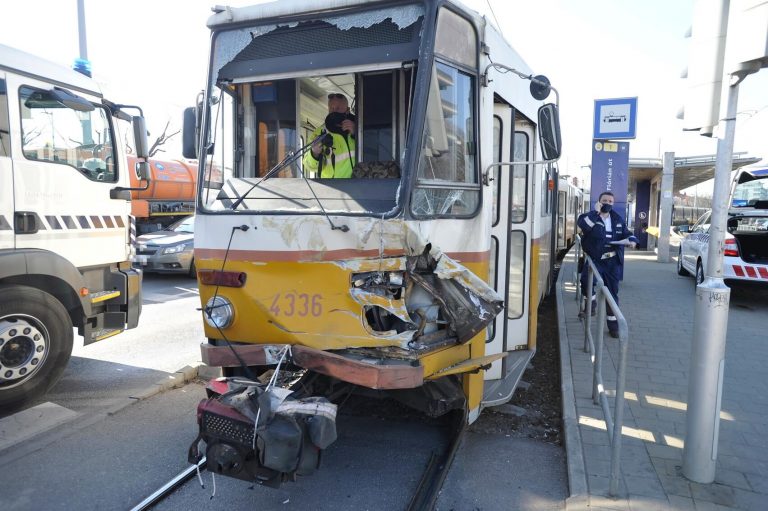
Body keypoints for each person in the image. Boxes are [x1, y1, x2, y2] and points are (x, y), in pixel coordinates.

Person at [578, 191, 638, 338]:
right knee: (585, 280)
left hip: (612, 262)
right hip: (596, 259)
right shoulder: (589, 216)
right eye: (605, 200)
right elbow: (584, 226)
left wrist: (632, 241)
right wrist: (596, 212)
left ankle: (613, 326)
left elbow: (627, 233)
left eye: (610, 201)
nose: (608, 203)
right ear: (599, 202)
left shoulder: (617, 219)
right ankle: (591, 304)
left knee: (612, 294)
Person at [303, 93, 356, 178]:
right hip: (333, 188)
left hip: (360, 184)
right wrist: (314, 153)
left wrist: (355, 133)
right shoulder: (319, 133)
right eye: (331, 109)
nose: (334, 112)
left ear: (347, 110)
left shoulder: (360, 128)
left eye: (338, 108)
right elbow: (309, 166)